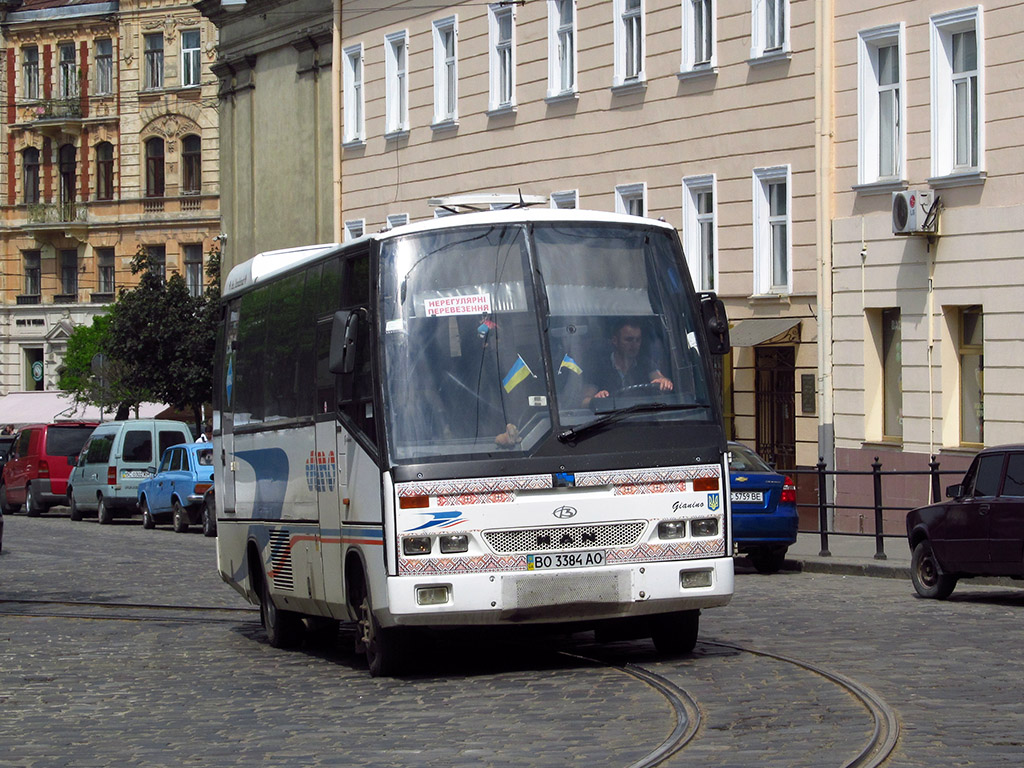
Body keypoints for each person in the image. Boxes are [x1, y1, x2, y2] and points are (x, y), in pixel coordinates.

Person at [582, 320, 673, 408]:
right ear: (615, 340)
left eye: (638, 340)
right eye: (629, 340)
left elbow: (659, 378)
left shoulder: (645, 363)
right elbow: (584, 402)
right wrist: (596, 400)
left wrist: (664, 382)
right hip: (608, 420)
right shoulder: (599, 366)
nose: (634, 344)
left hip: (641, 418)